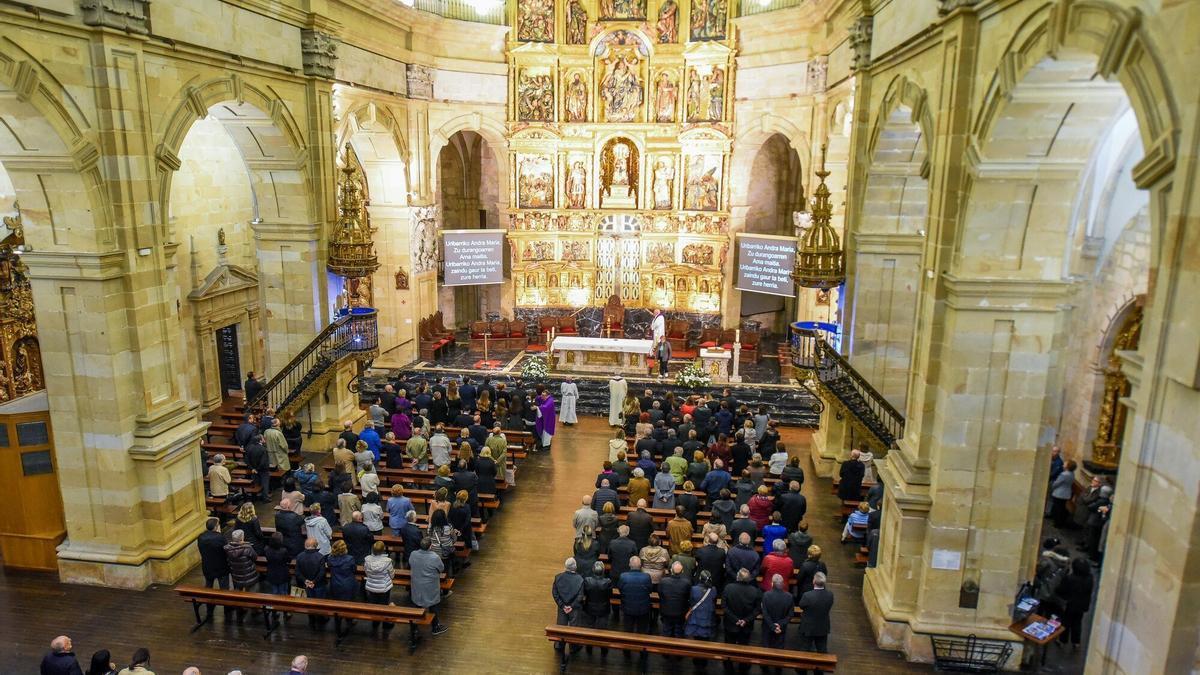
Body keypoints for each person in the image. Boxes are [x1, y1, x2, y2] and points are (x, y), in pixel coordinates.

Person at [409, 538, 449, 636]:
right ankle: (435, 626)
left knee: (417, 604)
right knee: (433, 605)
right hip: (430, 585)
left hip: (417, 583)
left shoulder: (413, 554)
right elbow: (441, 568)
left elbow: (410, 563)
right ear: (430, 546)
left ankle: (415, 628)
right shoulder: (434, 557)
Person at [722, 568, 762, 663]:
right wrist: (746, 620)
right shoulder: (755, 591)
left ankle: (728, 665)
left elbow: (724, 606)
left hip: (730, 624)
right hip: (746, 626)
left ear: (737, 577)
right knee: (744, 648)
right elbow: (757, 609)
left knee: (728, 647)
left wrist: (735, 619)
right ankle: (743, 666)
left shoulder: (728, 588)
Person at [1055, 557, 1094, 649]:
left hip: (1070, 604)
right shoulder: (1089, 578)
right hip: (1082, 605)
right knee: (1077, 623)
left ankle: (1062, 640)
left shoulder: (1070, 578)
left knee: (1066, 622)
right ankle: (1076, 642)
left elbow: (1061, 590)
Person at [797, 572, 835, 658]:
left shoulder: (807, 595)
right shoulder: (830, 595)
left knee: (805, 648)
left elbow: (801, 605)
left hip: (808, 626)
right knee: (822, 649)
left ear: (814, 581)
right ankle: (820, 669)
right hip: (823, 626)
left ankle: (802, 668)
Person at [552, 557, 586, 650]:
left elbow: (555, 593)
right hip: (574, 608)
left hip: (562, 607)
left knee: (561, 626)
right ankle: (574, 646)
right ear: (575, 567)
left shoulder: (558, 577)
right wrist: (571, 606)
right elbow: (580, 596)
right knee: (574, 628)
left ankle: (559, 645)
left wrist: (562, 606)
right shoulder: (580, 579)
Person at [364, 541, 396, 633]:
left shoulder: (367, 560)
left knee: (374, 604)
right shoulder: (387, 561)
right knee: (384, 605)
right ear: (383, 550)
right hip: (384, 587)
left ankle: (375, 621)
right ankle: (385, 623)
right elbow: (392, 574)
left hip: (372, 586)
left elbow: (366, 572)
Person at [617, 556, 654, 637]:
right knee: (642, 631)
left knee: (628, 631)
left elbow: (620, 589)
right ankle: (641, 648)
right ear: (640, 565)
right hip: (643, 609)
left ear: (629, 564)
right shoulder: (646, 577)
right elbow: (650, 590)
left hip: (627, 608)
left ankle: (627, 649)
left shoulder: (623, 576)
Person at [224, 529, 258, 616]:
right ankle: (254, 610)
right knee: (252, 592)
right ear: (242, 538)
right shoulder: (247, 548)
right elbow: (255, 557)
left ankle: (239, 608)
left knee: (238, 591)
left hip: (237, 574)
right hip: (249, 574)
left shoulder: (228, 549)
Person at [659, 561, 692, 637]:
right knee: (679, 632)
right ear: (682, 571)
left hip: (666, 611)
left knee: (666, 631)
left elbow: (660, 594)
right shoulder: (687, 582)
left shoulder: (663, 581)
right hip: (680, 612)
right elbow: (688, 596)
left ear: (671, 570)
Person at [762, 574, 794, 649]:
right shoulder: (789, 596)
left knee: (766, 651)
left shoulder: (766, 595)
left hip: (768, 627)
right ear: (783, 584)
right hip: (781, 629)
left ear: (772, 583)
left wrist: (772, 626)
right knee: (779, 650)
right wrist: (780, 624)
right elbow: (790, 614)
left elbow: (765, 613)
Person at [197, 517, 230, 591]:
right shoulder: (220, 537)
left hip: (207, 566)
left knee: (208, 586)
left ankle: (209, 602)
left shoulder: (201, 537)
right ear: (215, 527)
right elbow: (227, 550)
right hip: (221, 567)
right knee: (224, 588)